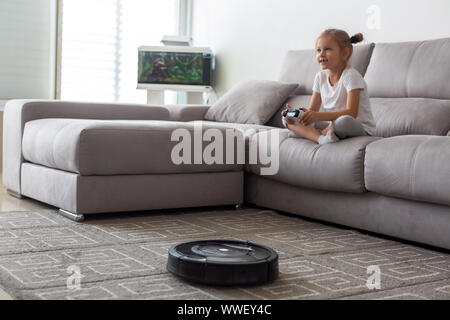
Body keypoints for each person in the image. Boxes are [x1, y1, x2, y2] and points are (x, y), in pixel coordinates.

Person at [283, 29, 376, 144]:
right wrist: (302, 115)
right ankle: (321, 138)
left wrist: (318, 116)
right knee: (286, 120)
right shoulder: (320, 77)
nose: (321, 54)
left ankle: (311, 134)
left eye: (327, 49)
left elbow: (352, 113)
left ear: (344, 53)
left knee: (343, 122)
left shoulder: (351, 76)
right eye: (318, 50)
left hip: (357, 126)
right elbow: (313, 111)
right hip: (332, 124)